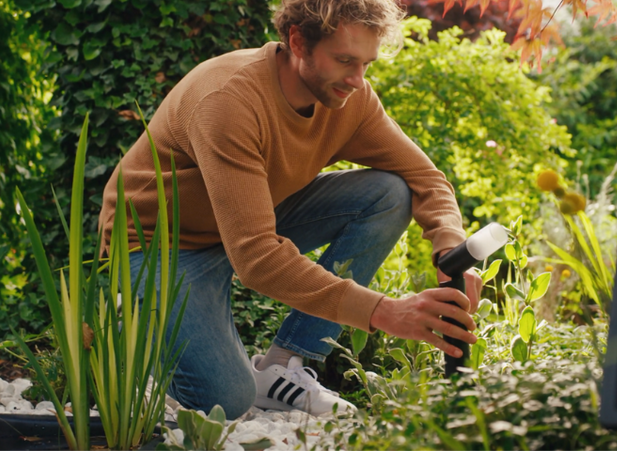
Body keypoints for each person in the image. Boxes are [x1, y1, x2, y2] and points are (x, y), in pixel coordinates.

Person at [98, 0, 483, 420]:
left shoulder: (349, 98)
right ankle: (137, 324)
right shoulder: (228, 99)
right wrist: (386, 312)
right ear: (297, 41)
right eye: (344, 60)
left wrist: (450, 249)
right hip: (160, 245)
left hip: (247, 221)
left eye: (366, 64)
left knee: (389, 192)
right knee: (226, 400)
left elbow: (425, 177)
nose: (357, 80)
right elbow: (258, 259)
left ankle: (285, 366)